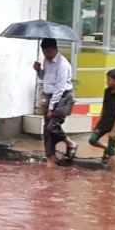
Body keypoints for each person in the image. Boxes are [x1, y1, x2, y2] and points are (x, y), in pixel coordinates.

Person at [33, 37, 78, 167]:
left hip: (62, 97)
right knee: (47, 130)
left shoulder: (63, 65)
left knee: (53, 126)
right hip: (50, 96)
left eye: (48, 52)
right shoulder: (46, 61)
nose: (46, 55)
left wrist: (52, 107)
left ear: (55, 49)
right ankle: (50, 160)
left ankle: (70, 143)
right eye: (44, 53)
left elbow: (60, 87)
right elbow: (45, 78)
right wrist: (38, 70)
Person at [88, 69, 115, 174]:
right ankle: (105, 148)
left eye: (109, 80)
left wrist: (114, 131)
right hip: (105, 122)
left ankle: (113, 173)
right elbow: (104, 107)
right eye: (107, 79)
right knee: (92, 140)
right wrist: (99, 122)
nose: (107, 82)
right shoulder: (107, 91)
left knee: (112, 150)